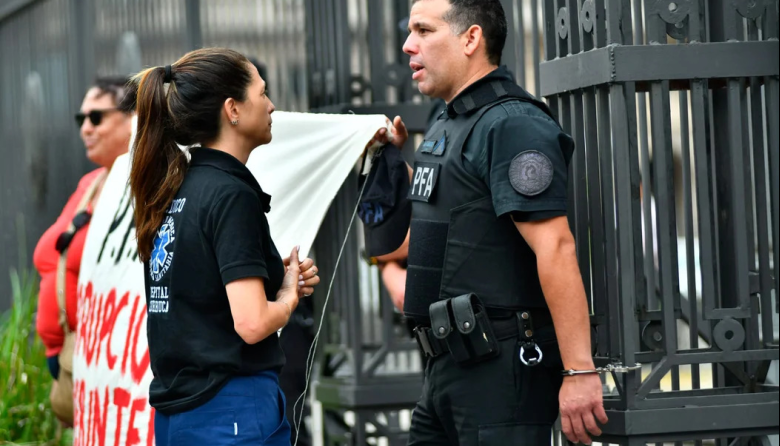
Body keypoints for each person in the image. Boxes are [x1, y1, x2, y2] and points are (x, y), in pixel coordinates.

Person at [365, 0, 608, 444]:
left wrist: (579, 371)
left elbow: (555, 246)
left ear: (470, 38)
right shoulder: (450, 120)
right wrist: (391, 159)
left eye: (422, 30)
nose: (407, 45)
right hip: (447, 367)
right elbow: (432, 230)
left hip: (499, 371)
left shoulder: (511, 124)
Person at [125, 47, 320, 445]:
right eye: (262, 93)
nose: (271, 105)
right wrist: (286, 297)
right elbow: (250, 324)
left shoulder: (177, 187)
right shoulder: (230, 194)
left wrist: (271, 275)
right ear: (233, 109)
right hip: (231, 409)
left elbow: (199, 289)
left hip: (182, 413)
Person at [33, 76, 133, 420]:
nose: (85, 130)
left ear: (133, 118)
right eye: (81, 120)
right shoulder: (90, 183)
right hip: (66, 354)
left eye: (96, 118)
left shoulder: (139, 188)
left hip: (106, 361)